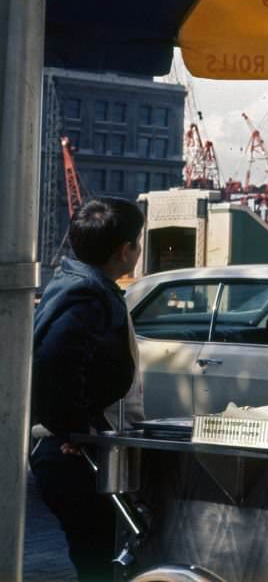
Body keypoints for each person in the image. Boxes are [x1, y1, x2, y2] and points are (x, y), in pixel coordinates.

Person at [30, 197, 145, 582]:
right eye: (137, 242)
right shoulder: (88, 297)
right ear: (124, 250)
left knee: (99, 553)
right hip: (71, 456)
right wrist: (76, 429)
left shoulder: (80, 285)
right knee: (98, 558)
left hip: (76, 449)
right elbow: (54, 363)